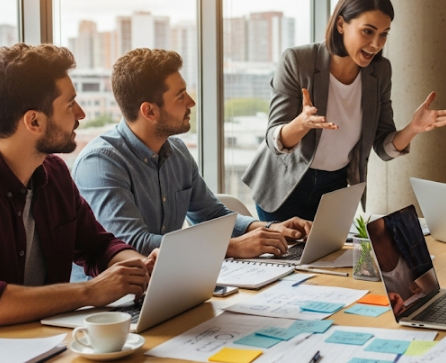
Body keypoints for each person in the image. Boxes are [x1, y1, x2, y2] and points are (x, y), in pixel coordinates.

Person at [0, 44, 153, 342]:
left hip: (35, 343)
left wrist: (135, 266)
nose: (81, 114)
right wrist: (90, 291)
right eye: (70, 104)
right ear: (33, 121)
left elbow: (98, 245)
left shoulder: (55, 173)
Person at [70, 49, 312, 276]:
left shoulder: (177, 151)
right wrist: (231, 247)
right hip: (107, 307)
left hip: (168, 283)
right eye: (180, 96)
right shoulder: (101, 163)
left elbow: (212, 214)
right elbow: (134, 244)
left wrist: (269, 229)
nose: (191, 103)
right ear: (150, 111)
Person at [242, 0, 446, 221]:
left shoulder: (380, 72)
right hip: (285, 184)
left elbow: (383, 147)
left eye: (384, 34)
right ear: (341, 24)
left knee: (335, 258)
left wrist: (412, 129)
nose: (376, 44)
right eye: (368, 31)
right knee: (286, 257)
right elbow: (275, 140)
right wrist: (301, 124)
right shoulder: (298, 61)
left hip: (334, 189)